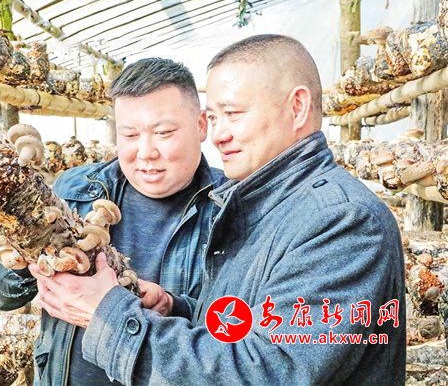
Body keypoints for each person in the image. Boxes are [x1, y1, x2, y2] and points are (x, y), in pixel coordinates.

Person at [31, 34, 406, 385]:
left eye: (234, 113)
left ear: (297, 107)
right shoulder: (262, 205)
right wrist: (176, 309)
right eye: (214, 117)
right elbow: (242, 327)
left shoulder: (342, 222)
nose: (218, 134)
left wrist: (108, 316)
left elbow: (267, 370)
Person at [0, 57, 227, 385]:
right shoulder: (75, 189)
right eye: (130, 134)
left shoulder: (232, 208)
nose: (146, 152)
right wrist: (29, 247)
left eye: (164, 133)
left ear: (201, 125)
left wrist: (174, 306)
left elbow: (245, 335)